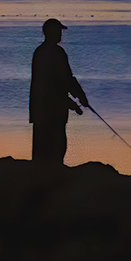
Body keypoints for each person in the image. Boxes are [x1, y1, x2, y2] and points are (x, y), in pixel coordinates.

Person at [29, 18, 88, 165]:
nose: (61, 35)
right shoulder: (57, 53)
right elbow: (63, 80)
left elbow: (60, 81)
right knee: (56, 146)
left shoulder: (39, 52)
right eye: (59, 31)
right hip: (52, 109)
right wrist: (78, 98)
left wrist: (76, 99)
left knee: (42, 148)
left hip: (39, 109)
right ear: (50, 32)